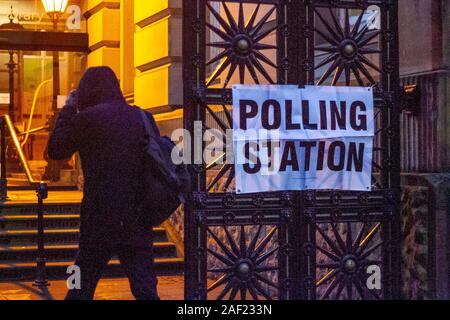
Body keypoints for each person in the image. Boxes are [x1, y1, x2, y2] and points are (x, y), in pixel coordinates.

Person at [47, 66, 160, 300]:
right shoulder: (142, 116)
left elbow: (56, 149)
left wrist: (68, 108)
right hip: (137, 217)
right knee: (146, 289)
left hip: (99, 215)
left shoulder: (88, 119)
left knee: (81, 283)